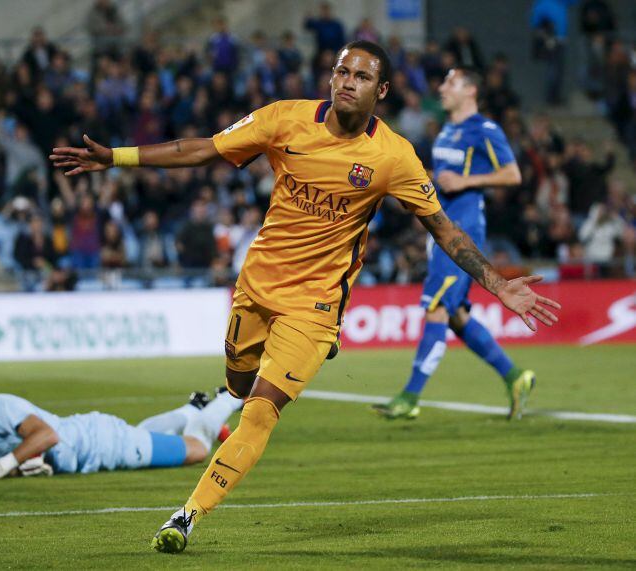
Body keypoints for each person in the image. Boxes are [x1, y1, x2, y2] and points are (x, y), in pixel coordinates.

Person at [50, 40, 560, 553]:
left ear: (380, 91)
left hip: (314, 306)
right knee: (237, 383)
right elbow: (201, 148)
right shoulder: (284, 119)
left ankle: (185, 516)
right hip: (255, 287)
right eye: (341, 71)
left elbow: (445, 230)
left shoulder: (394, 156)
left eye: (360, 76)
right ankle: (213, 408)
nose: (346, 81)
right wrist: (116, 157)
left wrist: (496, 283)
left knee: (262, 409)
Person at [374, 66, 537, 422]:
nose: (442, 87)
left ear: (470, 91)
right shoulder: (448, 131)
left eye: (450, 82)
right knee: (457, 317)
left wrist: (466, 180)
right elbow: (443, 180)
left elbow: (513, 174)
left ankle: (410, 396)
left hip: (464, 229)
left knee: (435, 306)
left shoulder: (486, 130)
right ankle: (515, 376)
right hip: (442, 229)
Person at [0, 382, 242, 480]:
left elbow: (46, 435)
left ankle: (230, 397)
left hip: (99, 443)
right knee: (141, 434)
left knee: (197, 449)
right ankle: (192, 408)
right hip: (92, 446)